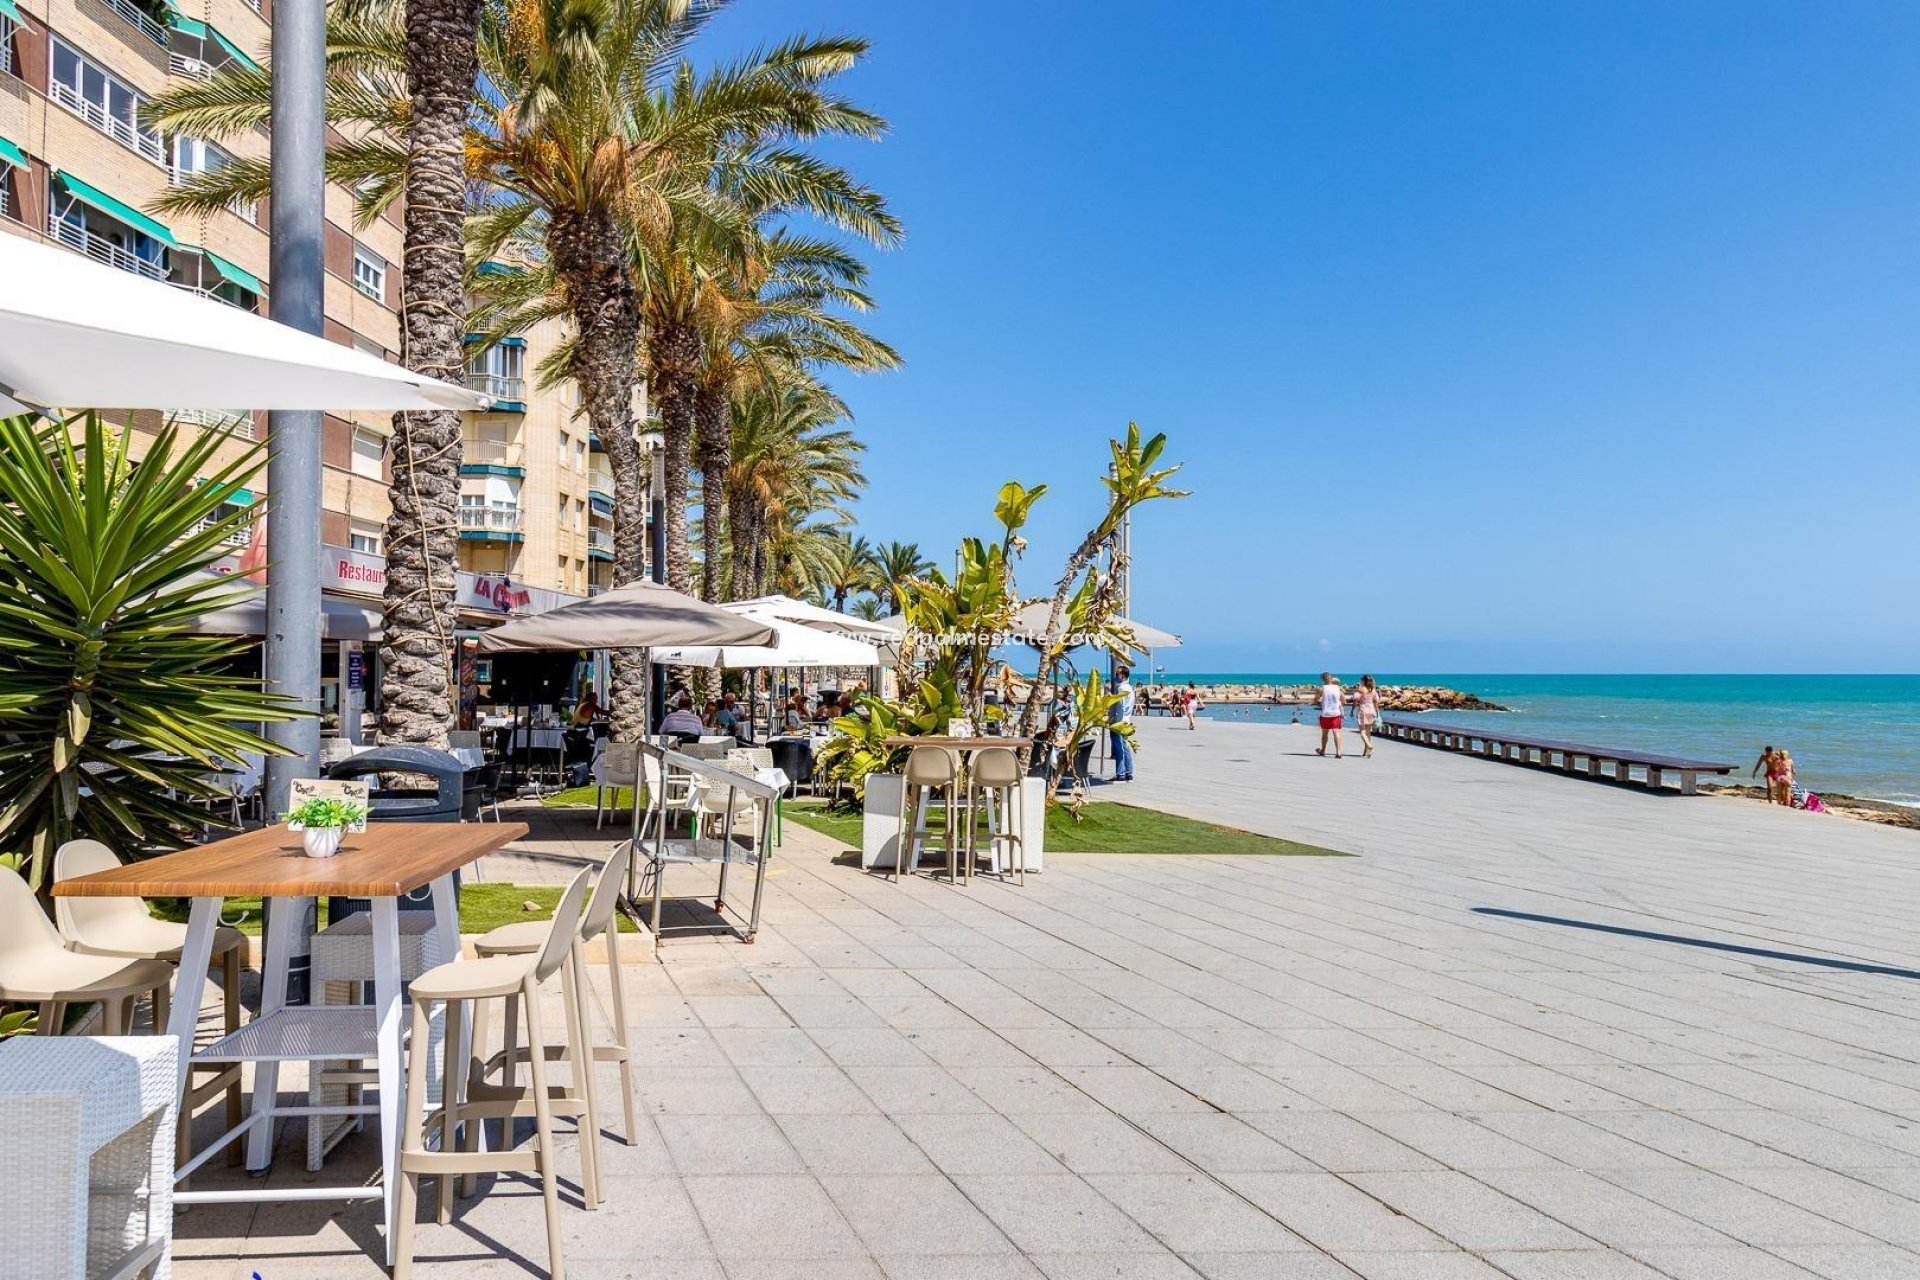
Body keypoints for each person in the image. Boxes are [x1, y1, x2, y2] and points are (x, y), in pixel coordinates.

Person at [1109, 665, 1135, 782]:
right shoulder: (1130, 688)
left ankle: (1121, 773)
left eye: (1118, 674)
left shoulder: (1122, 689)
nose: (1116, 676)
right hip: (1126, 720)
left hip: (1120, 721)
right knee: (1125, 747)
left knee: (1119, 747)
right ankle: (1129, 772)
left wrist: (1113, 719)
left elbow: (1120, 706)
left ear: (1123, 675)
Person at [1315, 672, 1344, 758]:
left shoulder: (1322, 688)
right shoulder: (1338, 688)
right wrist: (1337, 704)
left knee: (1324, 734)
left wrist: (1319, 702)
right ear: (1331, 678)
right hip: (1336, 713)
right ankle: (1338, 752)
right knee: (1336, 732)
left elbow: (1316, 700)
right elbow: (1343, 700)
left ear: (1323, 680)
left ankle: (1323, 751)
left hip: (1325, 714)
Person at [1353, 674, 1381, 758]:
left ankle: (1369, 746)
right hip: (1371, 711)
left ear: (1363, 681)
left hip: (1363, 711)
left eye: (1361, 680)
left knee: (1362, 732)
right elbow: (1376, 702)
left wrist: (1352, 709)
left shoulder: (1361, 689)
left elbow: (1355, 698)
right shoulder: (1373, 690)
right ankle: (1366, 752)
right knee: (1368, 733)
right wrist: (1377, 712)